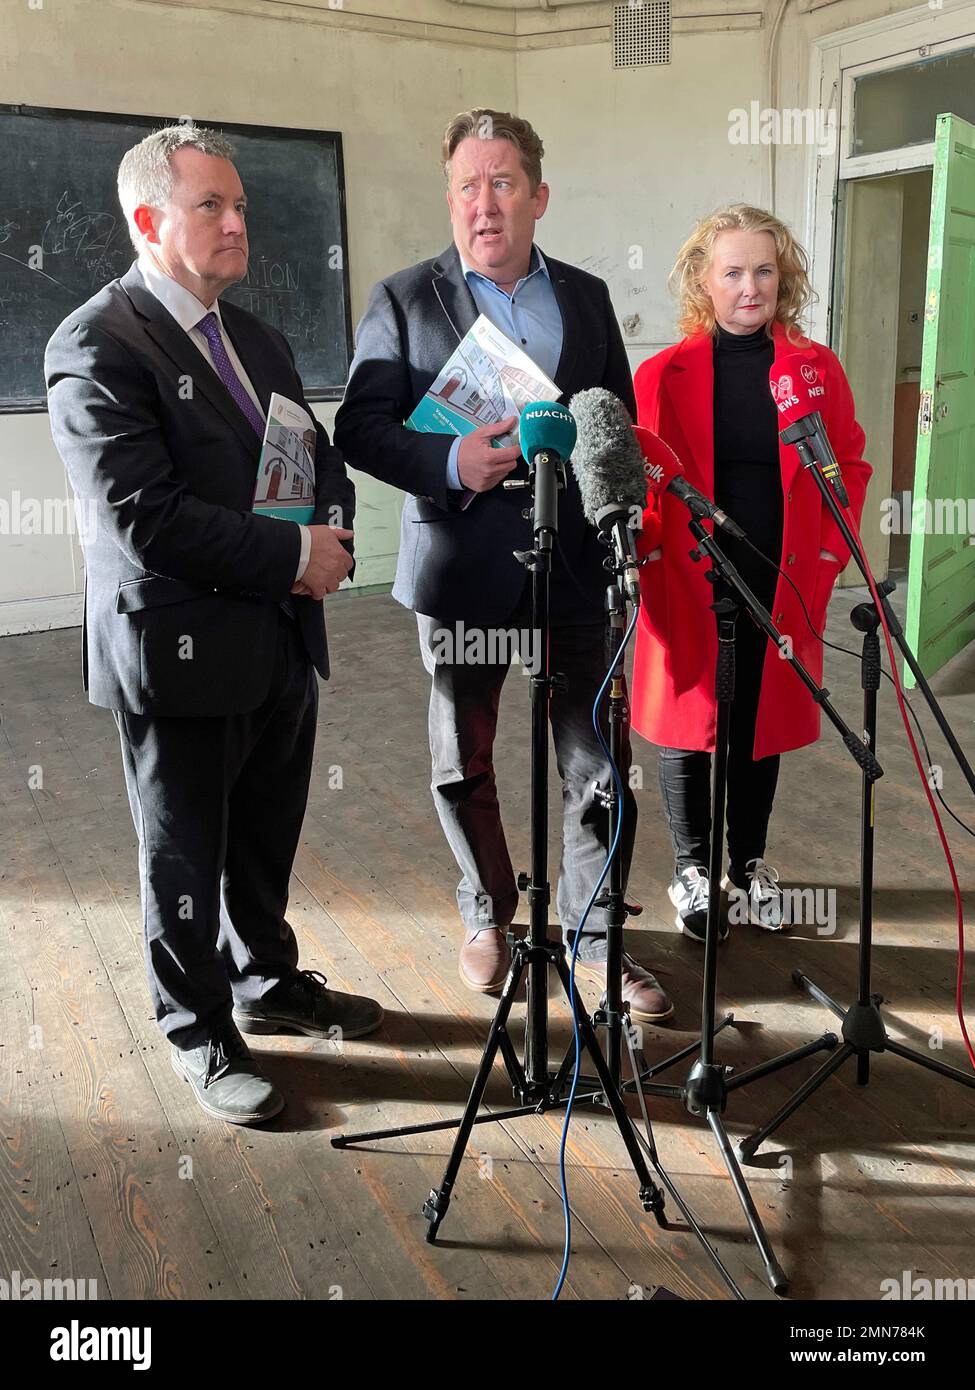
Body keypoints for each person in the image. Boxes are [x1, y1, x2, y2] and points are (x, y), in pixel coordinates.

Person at [45, 124, 382, 1127]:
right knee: (185, 853)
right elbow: (140, 517)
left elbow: (315, 458)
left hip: (280, 636)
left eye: (241, 205)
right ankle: (198, 1029)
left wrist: (332, 527)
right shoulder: (96, 342)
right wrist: (291, 556)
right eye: (212, 207)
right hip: (178, 652)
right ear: (149, 220)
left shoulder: (260, 337)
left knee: (267, 832)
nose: (239, 222)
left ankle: (265, 980)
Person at [335, 109, 672, 1023]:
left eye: (502, 183)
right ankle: (487, 913)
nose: (483, 205)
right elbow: (359, 428)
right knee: (462, 760)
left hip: (572, 569)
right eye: (465, 187)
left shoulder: (589, 297)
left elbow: (613, 427)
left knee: (597, 762)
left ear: (537, 195)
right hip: (459, 567)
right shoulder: (403, 300)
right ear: (450, 200)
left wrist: (619, 523)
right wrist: (451, 462)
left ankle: (596, 940)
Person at [631, 204, 871, 940]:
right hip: (687, 572)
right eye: (732, 271)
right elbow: (636, 477)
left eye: (763, 270)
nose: (749, 286)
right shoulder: (661, 373)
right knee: (690, 719)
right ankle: (693, 870)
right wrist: (639, 562)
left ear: (782, 276)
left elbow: (849, 466)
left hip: (782, 568)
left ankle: (750, 862)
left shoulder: (814, 368)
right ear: (703, 281)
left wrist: (830, 559)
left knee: (756, 719)